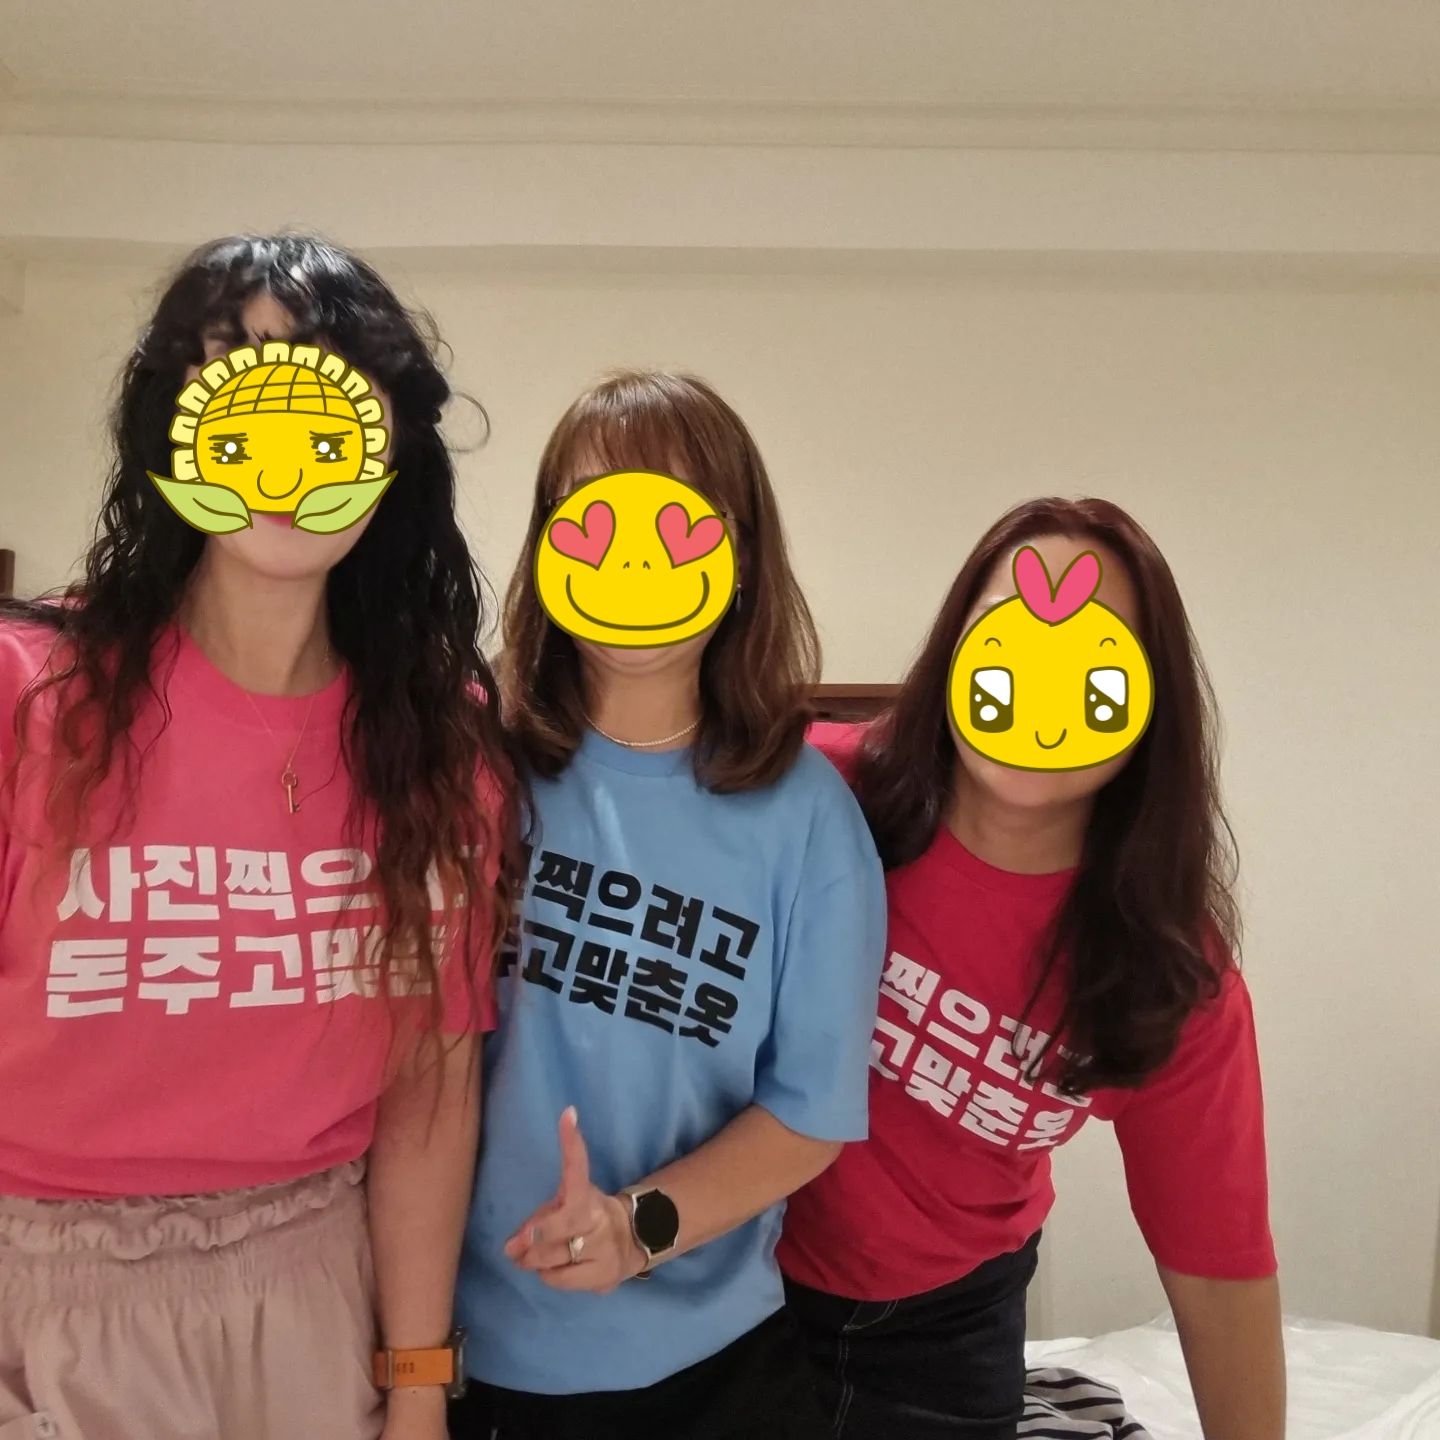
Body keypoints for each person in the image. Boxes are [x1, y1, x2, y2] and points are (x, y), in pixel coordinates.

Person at [0, 234, 521, 1440]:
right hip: (40, 1287)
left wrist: (418, 1389)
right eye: (238, 372)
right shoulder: (30, 696)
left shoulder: (439, 743)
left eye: (327, 385)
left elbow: (429, 1094)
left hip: (315, 1288)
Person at [780, 497, 1285, 1440]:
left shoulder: (1168, 972)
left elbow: (1218, 1266)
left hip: (948, 1327)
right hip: (736, 1279)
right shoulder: (819, 792)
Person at [448, 371, 887, 1440]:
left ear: (740, 557)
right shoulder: (471, 767)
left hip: (713, 1375)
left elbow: (808, 1112)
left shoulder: (809, 815)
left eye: (677, 524)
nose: (634, 563)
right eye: (596, 521)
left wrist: (637, 1227)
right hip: (464, 1358)